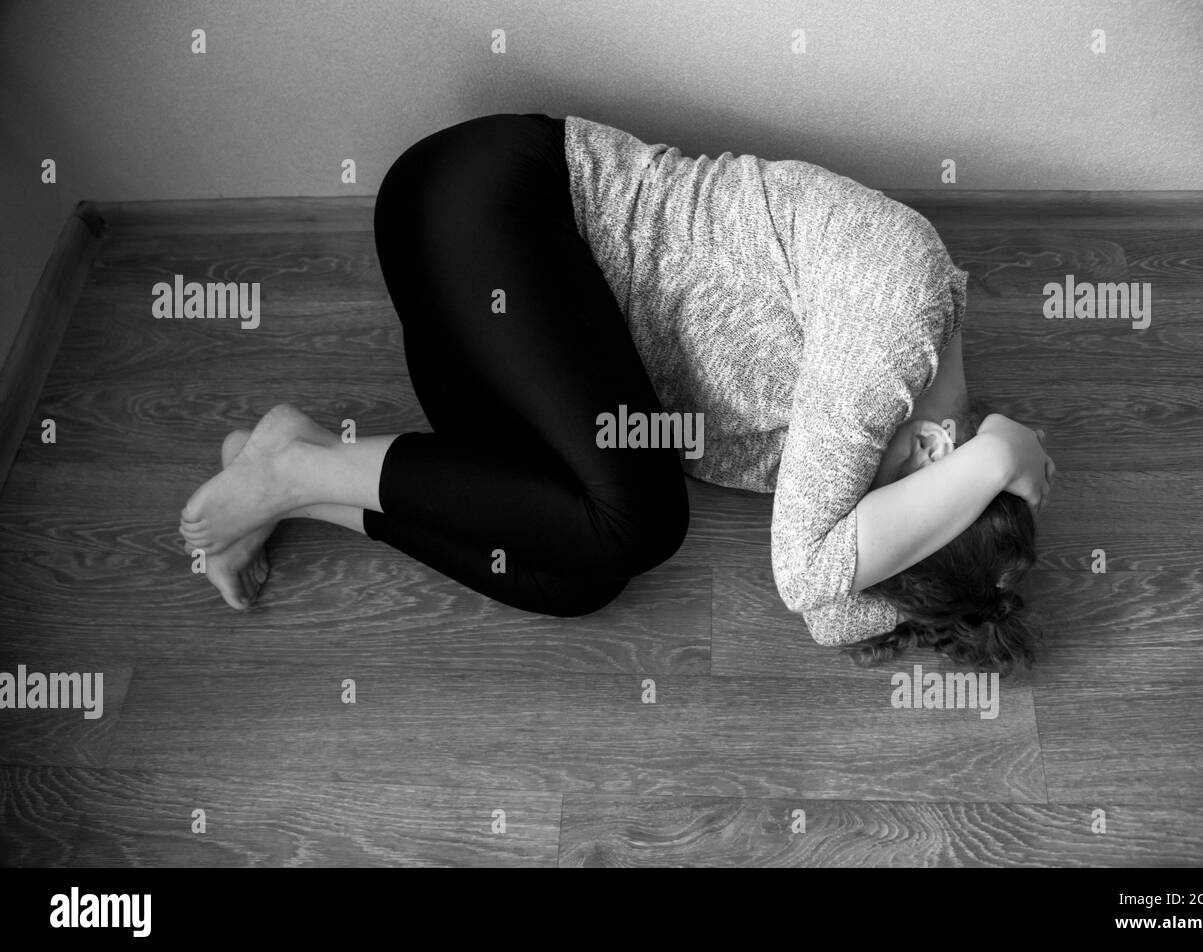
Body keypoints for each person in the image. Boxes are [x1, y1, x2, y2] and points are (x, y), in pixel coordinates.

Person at [178, 112, 1055, 670]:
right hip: (490, 209)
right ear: (941, 449)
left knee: (578, 577)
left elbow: (831, 614)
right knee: (642, 521)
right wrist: (1003, 454)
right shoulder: (892, 318)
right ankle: (291, 467)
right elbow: (804, 578)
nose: (853, 510)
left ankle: (301, 471)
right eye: (895, 505)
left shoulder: (898, 429)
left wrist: (977, 548)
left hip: (505, 340)